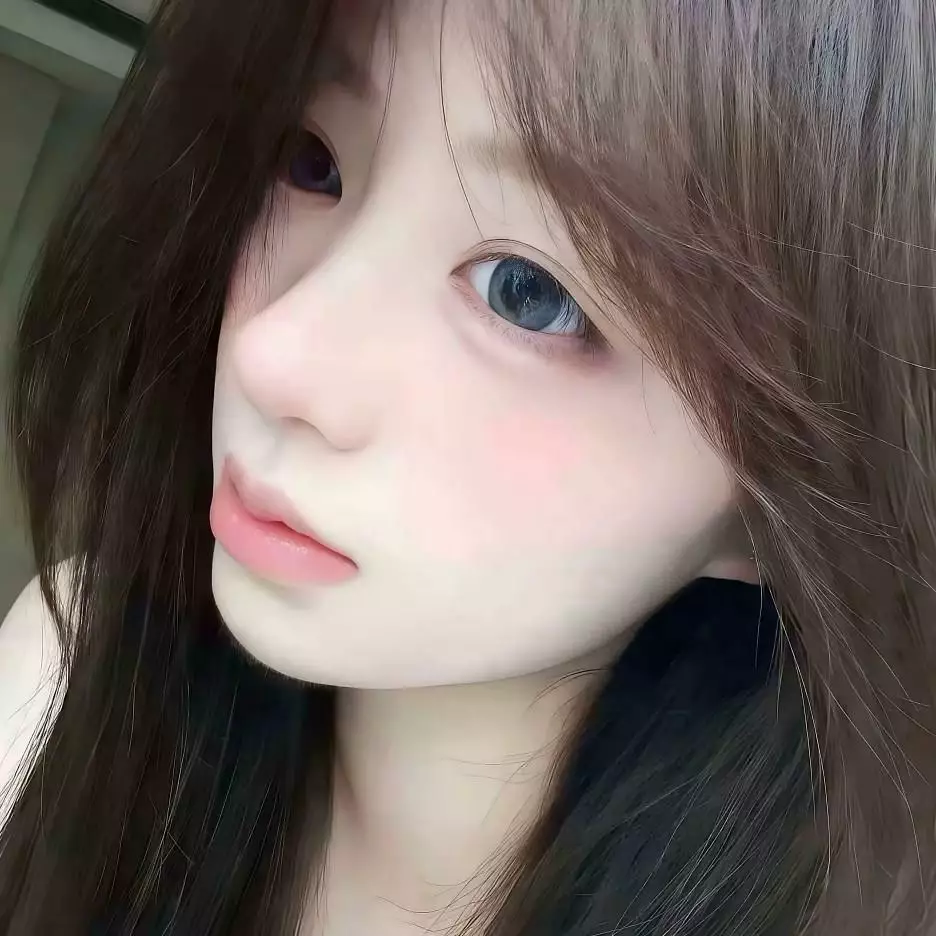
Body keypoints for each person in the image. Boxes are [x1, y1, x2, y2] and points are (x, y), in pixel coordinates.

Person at [1, 0, 934, 932]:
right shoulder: (69, 673)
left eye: (529, 295)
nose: (274, 350)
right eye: (313, 161)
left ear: (779, 505)